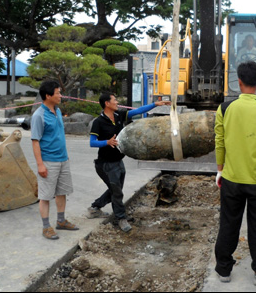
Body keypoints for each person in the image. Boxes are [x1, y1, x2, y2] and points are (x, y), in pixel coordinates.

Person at [214, 61, 256, 286]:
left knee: (228, 225)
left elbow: (219, 142)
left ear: (238, 82)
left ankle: (224, 270)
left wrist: (220, 169)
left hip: (231, 179)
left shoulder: (224, 109)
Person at [88, 93, 170, 232]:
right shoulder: (98, 122)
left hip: (119, 160)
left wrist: (155, 105)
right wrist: (107, 142)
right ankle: (121, 218)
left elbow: (137, 111)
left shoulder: (119, 115)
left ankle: (95, 208)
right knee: (117, 192)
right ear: (107, 103)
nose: (117, 102)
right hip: (106, 164)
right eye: (114, 100)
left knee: (116, 189)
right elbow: (92, 142)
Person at [31, 80, 79, 240]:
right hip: (48, 162)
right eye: (57, 93)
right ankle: (46, 227)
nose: (60, 95)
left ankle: (61, 220)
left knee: (62, 192)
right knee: (45, 196)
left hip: (63, 160)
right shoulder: (39, 115)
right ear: (47, 95)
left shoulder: (57, 111)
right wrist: (40, 165)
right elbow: (35, 141)